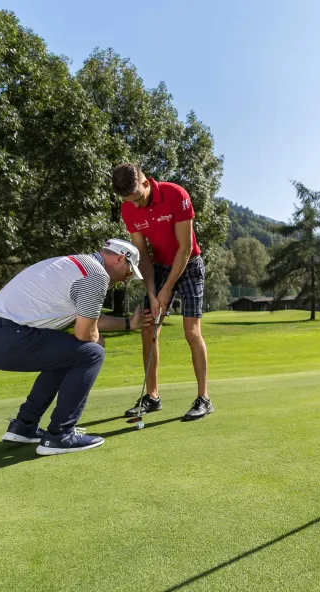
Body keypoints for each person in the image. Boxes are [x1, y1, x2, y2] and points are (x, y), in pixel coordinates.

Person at [0, 239, 144, 456]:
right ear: (119, 259)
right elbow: (85, 332)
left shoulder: (76, 265)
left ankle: (24, 426)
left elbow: (85, 319)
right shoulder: (96, 275)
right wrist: (95, 339)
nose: (126, 281)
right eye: (128, 273)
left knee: (67, 352)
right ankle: (61, 434)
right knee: (91, 353)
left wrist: (128, 324)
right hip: (3, 336)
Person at [112, 163, 212, 421]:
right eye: (127, 200)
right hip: (158, 268)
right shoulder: (128, 208)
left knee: (192, 332)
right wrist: (153, 293)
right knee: (148, 327)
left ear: (145, 183)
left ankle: (204, 398)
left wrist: (167, 290)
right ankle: (152, 397)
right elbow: (142, 255)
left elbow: (185, 248)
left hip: (188, 265)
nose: (133, 205)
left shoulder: (176, 195)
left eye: (136, 198)